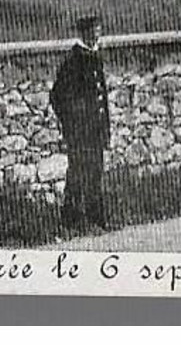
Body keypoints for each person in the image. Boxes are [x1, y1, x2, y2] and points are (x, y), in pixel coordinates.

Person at [49, 14, 110, 231]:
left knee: (95, 174)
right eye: (93, 31)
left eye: (99, 30)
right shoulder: (74, 61)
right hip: (80, 133)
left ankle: (96, 220)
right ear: (84, 34)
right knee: (77, 173)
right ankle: (71, 221)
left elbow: (101, 97)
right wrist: (73, 124)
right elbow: (57, 95)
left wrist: (104, 130)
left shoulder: (94, 56)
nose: (97, 34)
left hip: (95, 131)